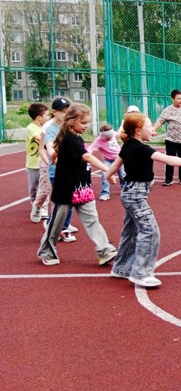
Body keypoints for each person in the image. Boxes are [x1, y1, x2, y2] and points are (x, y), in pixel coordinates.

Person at [105, 113, 181, 288]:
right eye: (150, 126)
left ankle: (121, 268)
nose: (153, 130)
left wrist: (108, 176)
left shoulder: (129, 145)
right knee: (150, 231)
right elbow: (169, 159)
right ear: (138, 130)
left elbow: (116, 163)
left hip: (129, 193)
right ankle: (141, 273)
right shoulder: (141, 148)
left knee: (132, 231)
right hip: (136, 195)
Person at [37, 104, 118, 267]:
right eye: (83, 123)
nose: (86, 126)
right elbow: (87, 157)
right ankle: (47, 251)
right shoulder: (69, 138)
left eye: (88, 122)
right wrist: (107, 170)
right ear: (71, 122)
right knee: (57, 223)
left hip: (82, 188)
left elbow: (57, 151)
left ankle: (105, 250)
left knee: (92, 220)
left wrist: (54, 155)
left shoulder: (76, 139)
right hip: (66, 188)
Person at [41, 98, 78, 242]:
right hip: (56, 171)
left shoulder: (69, 127)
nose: (66, 114)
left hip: (71, 170)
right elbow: (49, 144)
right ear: (54, 112)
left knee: (70, 201)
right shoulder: (51, 128)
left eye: (68, 112)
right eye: (63, 112)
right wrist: (52, 153)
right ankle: (61, 228)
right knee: (63, 202)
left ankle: (57, 224)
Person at [87, 124, 125, 201]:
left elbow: (119, 132)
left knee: (123, 175)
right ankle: (105, 193)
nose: (110, 138)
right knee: (105, 175)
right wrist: (84, 155)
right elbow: (90, 149)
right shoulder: (99, 140)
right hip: (108, 160)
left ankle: (125, 190)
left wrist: (123, 123)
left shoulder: (113, 134)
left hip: (119, 158)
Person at [25, 103, 49, 222]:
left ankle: (43, 207)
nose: (48, 117)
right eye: (46, 115)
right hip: (33, 163)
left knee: (45, 185)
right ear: (39, 117)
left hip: (44, 162)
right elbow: (40, 139)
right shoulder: (31, 128)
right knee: (34, 187)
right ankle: (35, 204)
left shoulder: (46, 127)